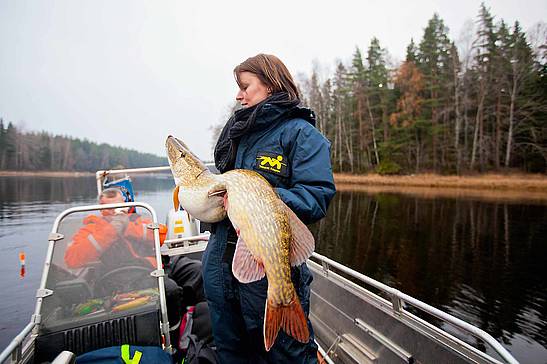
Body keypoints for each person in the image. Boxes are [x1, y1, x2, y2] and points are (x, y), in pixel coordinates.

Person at [206, 54, 336, 363]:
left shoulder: (301, 134)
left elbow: (315, 197)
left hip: (269, 271)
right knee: (231, 353)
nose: (239, 95)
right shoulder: (238, 133)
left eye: (245, 86)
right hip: (220, 266)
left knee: (286, 355)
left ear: (270, 85)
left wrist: (260, 195)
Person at [64, 187, 205, 331]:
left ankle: (203, 318)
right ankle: (175, 335)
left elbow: (160, 236)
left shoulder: (138, 220)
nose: (116, 211)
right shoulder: (92, 228)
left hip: (158, 265)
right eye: (110, 207)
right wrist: (111, 230)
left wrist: (127, 228)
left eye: (119, 206)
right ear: (102, 209)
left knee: (199, 271)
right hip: (126, 278)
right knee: (170, 291)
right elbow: (72, 258)